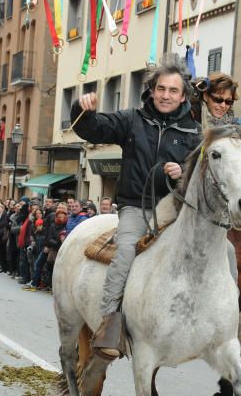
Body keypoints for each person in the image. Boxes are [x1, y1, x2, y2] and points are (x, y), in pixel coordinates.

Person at [70, 56, 201, 354]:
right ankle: (109, 324)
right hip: (136, 208)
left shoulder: (194, 133)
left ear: (183, 96)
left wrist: (183, 172)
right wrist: (82, 109)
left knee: (216, 250)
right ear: (152, 91)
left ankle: (223, 322)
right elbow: (93, 129)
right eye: (161, 89)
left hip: (175, 209)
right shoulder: (132, 120)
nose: (166, 95)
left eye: (173, 91)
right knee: (126, 253)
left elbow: (202, 178)